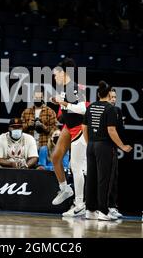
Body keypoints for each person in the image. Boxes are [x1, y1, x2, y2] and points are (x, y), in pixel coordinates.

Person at [82, 81, 132, 221]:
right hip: (104, 146)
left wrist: (89, 143)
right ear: (109, 94)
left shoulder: (90, 107)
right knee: (104, 179)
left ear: (98, 94)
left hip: (91, 145)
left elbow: (83, 128)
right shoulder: (110, 109)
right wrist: (122, 146)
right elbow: (111, 130)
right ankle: (103, 211)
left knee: (91, 178)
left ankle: (90, 211)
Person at [50, 58, 87, 208]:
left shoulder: (75, 87)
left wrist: (63, 102)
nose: (54, 77)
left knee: (76, 167)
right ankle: (65, 189)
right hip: (68, 126)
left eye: (55, 75)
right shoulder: (64, 89)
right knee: (55, 157)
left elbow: (83, 109)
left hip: (79, 127)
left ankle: (80, 204)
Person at [106, 88, 125, 219]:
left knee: (113, 177)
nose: (113, 99)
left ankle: (112, 206)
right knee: (103, 179)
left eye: (114, 97)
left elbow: (120, 130)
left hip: (113, 148)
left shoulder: (117, 111)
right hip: (102, 147)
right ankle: (101, 207)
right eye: (111, 97)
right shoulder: (101, 109)